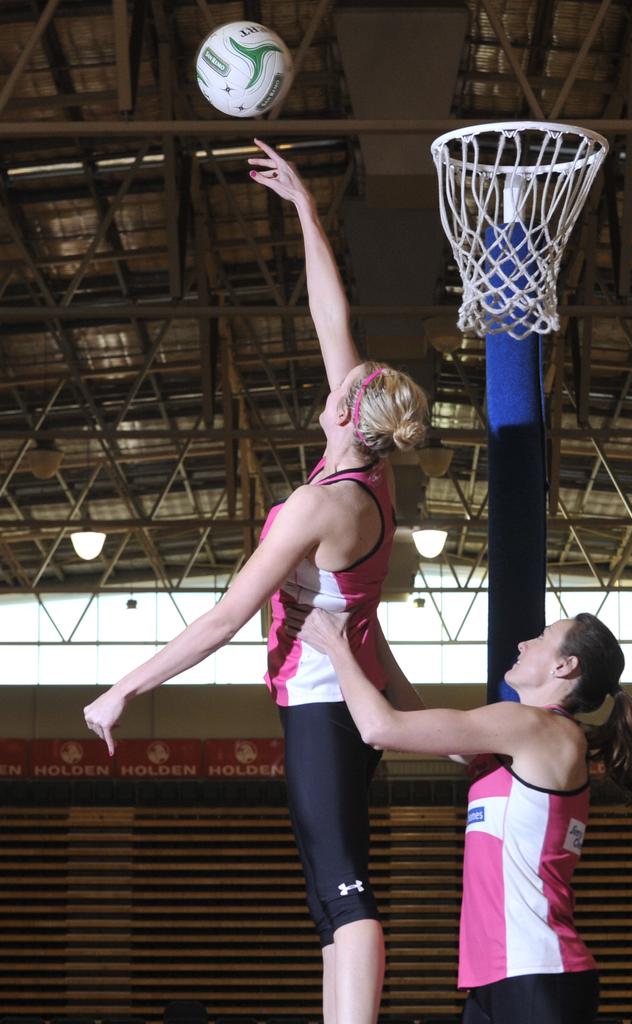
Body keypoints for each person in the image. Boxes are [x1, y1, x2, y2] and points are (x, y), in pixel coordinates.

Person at [83, 138, 429, 1024]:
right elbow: (330, 316)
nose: (335, 371)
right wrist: (306, 213)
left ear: (351, 412)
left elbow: (227, 618)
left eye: (344, 382)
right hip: (332, 694)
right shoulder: (366, 471)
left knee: (343, 890)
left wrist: (126, 686)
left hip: (323, 699)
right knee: (328, 893)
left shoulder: (323, 508)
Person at [290, 608, 632, 1024]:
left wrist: (337, 649)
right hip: (499, 978)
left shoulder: (536, 727)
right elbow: (418, 723)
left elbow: (381, 729)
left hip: (536, 973)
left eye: (541, 636)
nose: (523, 643)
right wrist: (370, 635)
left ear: (565, 665)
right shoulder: (524, 735)